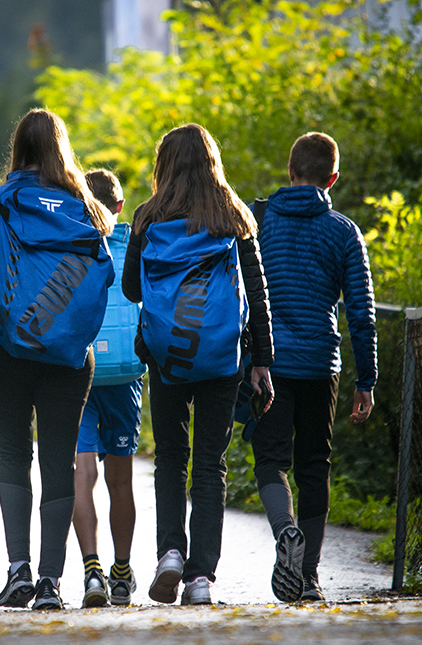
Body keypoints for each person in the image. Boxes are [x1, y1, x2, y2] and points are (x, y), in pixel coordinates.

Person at [0, 109, 115, 611]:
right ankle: (52, 582)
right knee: (60, 460)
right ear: (61, 150)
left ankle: (18, 571)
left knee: (13, 456)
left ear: (17, 148)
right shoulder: (87, 209)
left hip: (7, 349)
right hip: (69, 354)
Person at [123, 124, 274, 605]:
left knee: (169, 457)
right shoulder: (234, 216)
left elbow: (131, 289)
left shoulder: (148, 219)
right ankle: (200, 579)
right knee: (210, 465)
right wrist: (263, 361)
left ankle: (169, 551)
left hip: (167, 357)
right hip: (222, 357)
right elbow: (257, 291)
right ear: (213, 162)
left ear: (163, 166)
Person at [250, 132, 377, 603]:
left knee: (270, 459)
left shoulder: (258, 222)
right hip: (322, 363)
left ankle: (285, 532)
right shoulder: (344, 232)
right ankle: (308, 576)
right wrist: (367, 379)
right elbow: (361, 311)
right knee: (314, 465)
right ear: (333, 178)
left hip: (271, 364)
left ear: (289, 172)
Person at [72, 169, 145, 607]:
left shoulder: (71, 245)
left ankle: (92, 572)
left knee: (83, 474)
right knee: (121, 480)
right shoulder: (133, 244)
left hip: (80, 370)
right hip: (125, 374)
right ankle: (122, 573)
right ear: (119, 207)